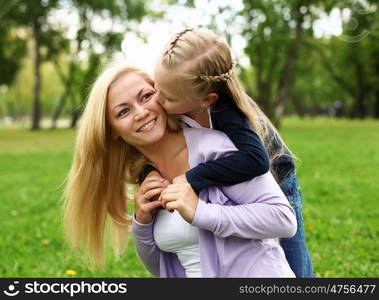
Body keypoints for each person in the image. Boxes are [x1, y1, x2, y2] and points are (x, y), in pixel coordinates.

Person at [62, 64, 297, 277]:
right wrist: (142, 222)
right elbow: (162, 269)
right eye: (123, 111)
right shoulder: (147, 178)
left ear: (161, 95)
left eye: (145, 97)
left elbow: (284, 220)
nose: (141, 112)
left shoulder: (213, 147)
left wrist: (200, 212)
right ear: (111, 130)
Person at [140, 28, 314, 277]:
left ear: (207, 100)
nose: (156, 100)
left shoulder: (225, 111)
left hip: (276, 176)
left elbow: (256, 161)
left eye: (166, 96)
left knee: (295, 263)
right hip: (237, 182)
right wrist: (149, 172)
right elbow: (155, 149)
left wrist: (193, 177)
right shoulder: (180, 97)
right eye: (155, 88)